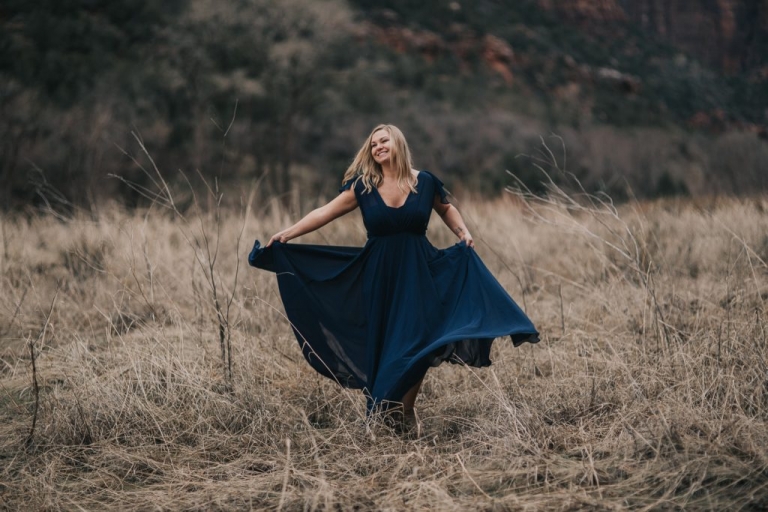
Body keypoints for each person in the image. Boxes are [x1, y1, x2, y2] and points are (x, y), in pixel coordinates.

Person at [248, 124, 539, 433]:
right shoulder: (363, 186)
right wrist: (287, 234)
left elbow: (447, 209)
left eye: (384, 141)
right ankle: (385, 411)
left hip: (419, 273)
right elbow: (325, 212)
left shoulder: (423, 182)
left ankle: (405, 410)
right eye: (373, 144)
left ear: (398, 143)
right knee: (387, 341)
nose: (378, 147)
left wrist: (463, 233)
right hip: (379, 276)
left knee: (420, 341)